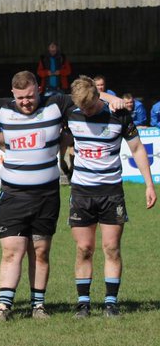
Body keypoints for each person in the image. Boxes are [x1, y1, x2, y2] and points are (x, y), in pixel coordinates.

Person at [0, 71, 79, 320]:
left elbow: (86, 95)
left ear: (39, 89)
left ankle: (38, 306)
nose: (26, 102)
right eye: (20, 98)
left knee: (40, 251)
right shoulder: (0, 108)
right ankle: (4, 308)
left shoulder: (56, 104)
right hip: (14, 195)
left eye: (30, 96)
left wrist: (112, 100)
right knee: (12, 251)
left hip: (46, 195)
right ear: (12, 94)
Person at [65, 75, 156, 317]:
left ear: (98, 98)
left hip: (111, 192)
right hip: (82, 192)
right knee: (84, 247)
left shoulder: (119, 115)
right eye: (83, 107)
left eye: (91, 106)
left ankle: (110, 303)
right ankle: (83, 304)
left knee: (112, 247)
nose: (87, 111)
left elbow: (137, 149)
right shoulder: (71, 110)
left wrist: (149, 184)